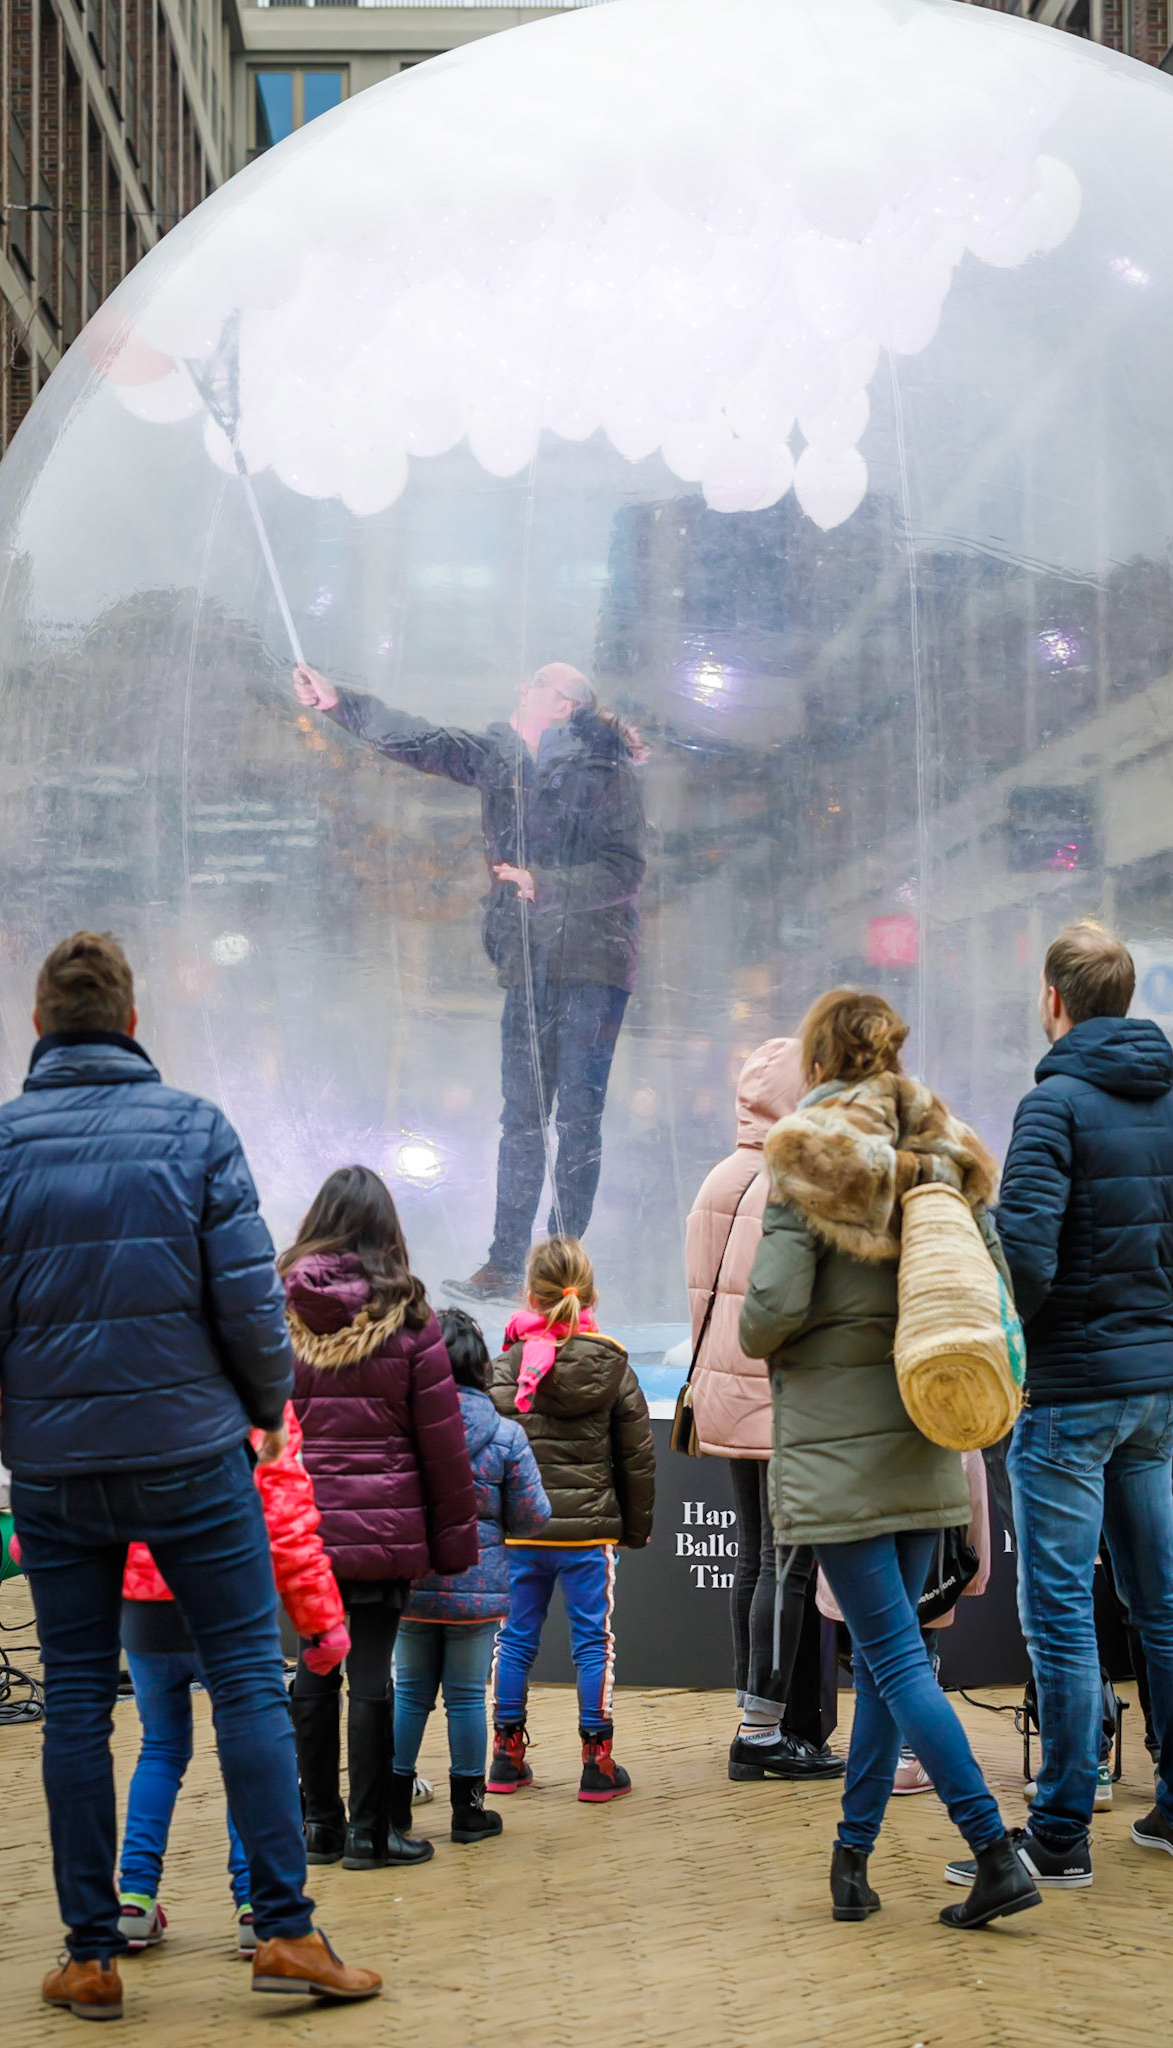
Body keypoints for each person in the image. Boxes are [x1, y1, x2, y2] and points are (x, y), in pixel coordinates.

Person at [0, 932, 378, 2018]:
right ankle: (284, 1930)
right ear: (134, 1026)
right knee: (245, 1682)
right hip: (192, 1460)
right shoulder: (196, 1130)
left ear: (38, 1029)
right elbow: (249, 1304)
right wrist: (268, 1410)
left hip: (59, 1472)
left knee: (79, 1701)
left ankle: (89, 1953)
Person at [739, 987, 1040, 1932]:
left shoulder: (806, 1159)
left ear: (820, 1061)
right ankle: (851, 1858)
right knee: (882, 1659)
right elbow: (996, 1288)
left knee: (892, 1658)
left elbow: (767, 1315)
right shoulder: (945, 1152)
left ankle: (993, 1849)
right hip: (927, 1433)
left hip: (838, 1455)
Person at [293, 659, 648, 1304]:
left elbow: (625, 870)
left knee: (578, 1117)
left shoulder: (608, 776)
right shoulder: (500, 758)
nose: (522, 687)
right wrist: (339, 702)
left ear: (565, 706)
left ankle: (563, 1273)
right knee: (521, 1118)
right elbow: (419, 740)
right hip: (527, 962)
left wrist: (547, 884)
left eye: (537, 683)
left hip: (594, 965)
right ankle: (506, 1263)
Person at [994, 921, 1173, 1889]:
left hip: (1071, 1395)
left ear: (1056, 999)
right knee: (1162, 1600)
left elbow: (1028, 1258)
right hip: (1147, 1395)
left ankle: (1058, 1832)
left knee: (1060, 1612)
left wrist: (1015, 1342)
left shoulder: (1053, 1107)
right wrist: (1170, 1348)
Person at [281, 1166, 478, 1870]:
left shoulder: (279, 1318)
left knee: (311, 1668)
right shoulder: (411, 1321)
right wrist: (455, 1541)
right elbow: (443, 1444)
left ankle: (316, 1825)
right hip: (385, 1532)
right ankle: (371, 1833)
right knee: (370, 1673)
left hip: (301, 1531)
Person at [117, 1403, 350, 1955]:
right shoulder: (255, 1394)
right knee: (250, 1753)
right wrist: (321, 1623)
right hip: (230, 1602)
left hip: (144, 1603)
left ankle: (133, 1900)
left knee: (161, 1748)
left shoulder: (126, 1375)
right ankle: (256, 1905)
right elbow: (287, 1521)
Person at [685, 1035, 844, 1782]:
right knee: (788, 1564)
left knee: (754, 1558)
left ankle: (754, 1715)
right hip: (780, 1403)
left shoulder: (717, 1179)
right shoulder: (792, 1182)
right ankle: (761, 1732)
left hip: (724, 1394)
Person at [487, 1236, 655, 1802]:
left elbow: (484, 1455)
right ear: (588, 1293)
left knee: (513, 1640)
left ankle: (506, 1755)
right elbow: (637, 1459)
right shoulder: (613, 1366)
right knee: (592, 1643)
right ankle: (597, 1761)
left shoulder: (502, 1367)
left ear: (527, 1294)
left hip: (519, 1532)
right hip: (588, 1534)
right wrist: (632, 1529)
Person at [392, 1309, 551, 1844]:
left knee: (410, 1693)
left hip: (411, 1584)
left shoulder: (404, 1427)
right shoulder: (506, 1435)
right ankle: (469, 1812)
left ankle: (394, 1811)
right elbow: (534, 1516)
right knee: (464, 1696)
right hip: (475, 1590)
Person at [816, 1452, 994, 1798]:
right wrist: (974, 1562)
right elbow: (968, 1475)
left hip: (855, 1545)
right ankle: (913, 1759)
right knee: (915, 1657)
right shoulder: (940, 1403)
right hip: (924, 1552)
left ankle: (877, 1767)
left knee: (871, 1659)